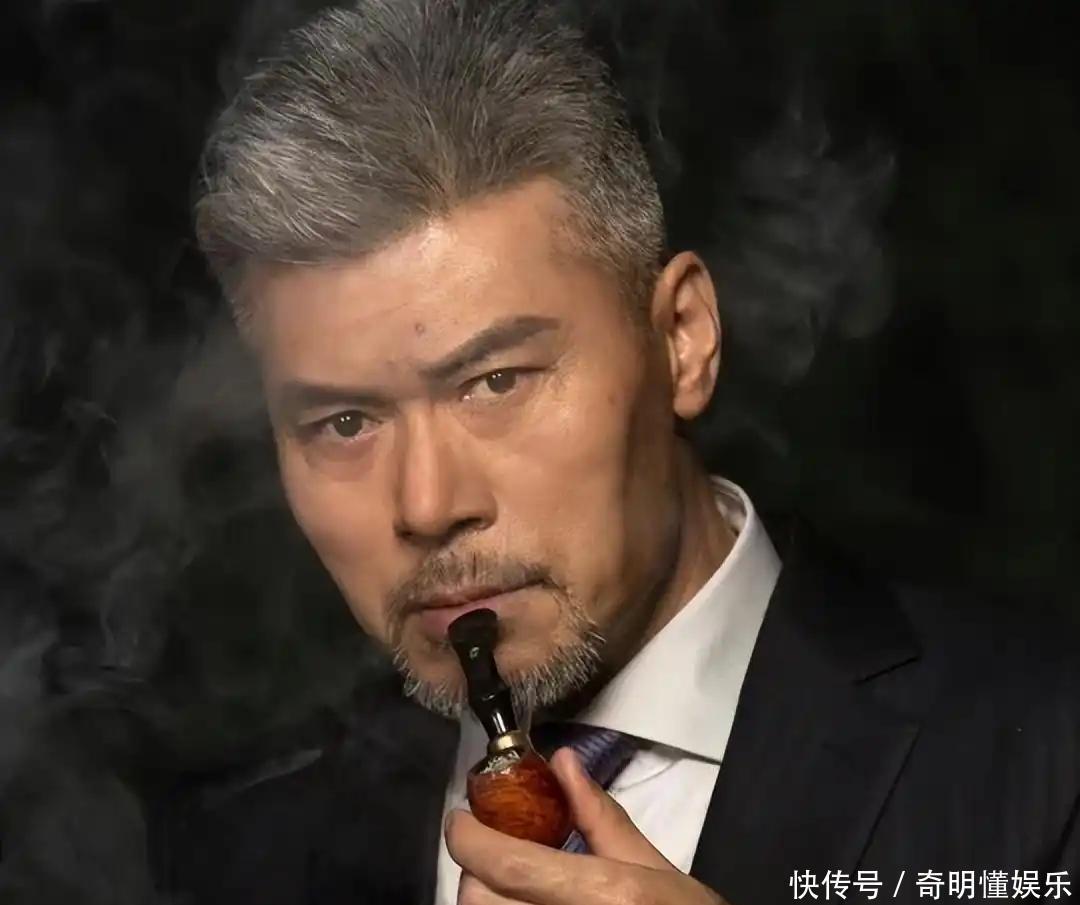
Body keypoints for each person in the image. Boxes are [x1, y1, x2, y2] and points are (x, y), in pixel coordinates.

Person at [157, 1, 1080, 903]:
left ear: (683, 339)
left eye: (496, 381)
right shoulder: (233, 848)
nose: (428, 504)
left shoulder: (1046, 749)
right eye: (344, 423)